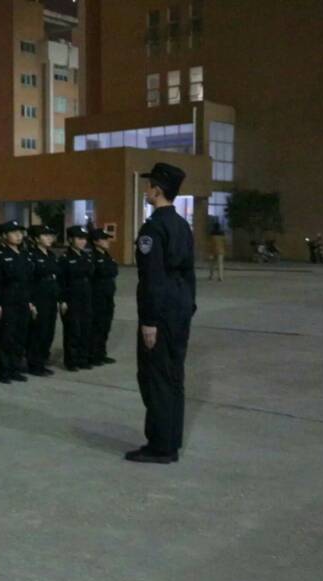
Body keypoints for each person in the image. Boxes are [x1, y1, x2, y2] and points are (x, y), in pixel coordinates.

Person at [128, 162, 197, 464]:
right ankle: (171, 440)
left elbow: (153, 278)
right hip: (180, 311)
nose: (146, 190)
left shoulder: (154, 228)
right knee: (174, 377)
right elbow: (189, 273)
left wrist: (150, 322)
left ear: (157, 190)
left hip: (162, 314)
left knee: (155, 378)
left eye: (148, 186)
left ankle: (160, 447)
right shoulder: (182, 225)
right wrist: (188, 307)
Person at [0, 220, 34, 383]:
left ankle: (15, 368)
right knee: (6, 337)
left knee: (20, 335)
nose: (18, 236)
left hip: (22, 300)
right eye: (14, 233)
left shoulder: (23, 254)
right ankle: (4, 371)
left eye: (20, 233)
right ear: (4, 236)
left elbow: (28, 280)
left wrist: (30, 300)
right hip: (7, 300)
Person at [58, 225, 94, 371]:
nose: (82, 242)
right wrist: (62, 300)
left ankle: (83, 358)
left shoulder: (86, 256)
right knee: (73, 331)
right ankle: (71, 361)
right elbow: (61, 281)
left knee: (85, 329)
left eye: (84, 239)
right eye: (79, 238)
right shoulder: (65, 258)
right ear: (71, 239)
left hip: (86, 297)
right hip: (71, 298)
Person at [26, 225, 59, 376]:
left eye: (50, 235)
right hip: (39, 297)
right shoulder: (31, 256)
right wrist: (30, 301)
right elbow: (29, 280)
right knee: (38, 331)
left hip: (51, 296)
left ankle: (42, 360)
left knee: (49, 331)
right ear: (36, 239)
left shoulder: (51, 255)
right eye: (45, 236)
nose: (49, 238)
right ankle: (34, 364)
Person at [89, 228, 118, 366]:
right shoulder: (92, 257)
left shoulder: (107, 255)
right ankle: (93, 355)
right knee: (97, 326)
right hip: (97, 296)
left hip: (108, 296)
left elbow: (114, 271)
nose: (107, 241)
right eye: (104, 239)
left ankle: (101, 353)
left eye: (107, 238)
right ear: (95, 242)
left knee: (106, 325)